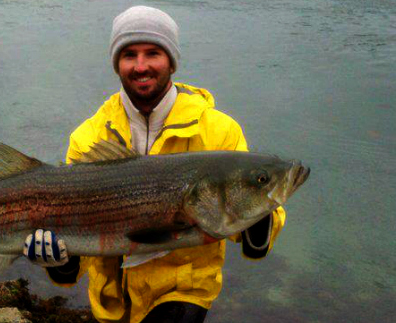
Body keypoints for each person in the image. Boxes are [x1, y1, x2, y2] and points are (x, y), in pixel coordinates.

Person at [23, 6, 286, 323]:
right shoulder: (88, 137)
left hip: (182, 295)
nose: (141, 66)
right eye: (129, 54)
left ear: (172, 61)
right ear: (116, 64)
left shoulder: (219, 131)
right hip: (111, 302)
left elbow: (246, 226)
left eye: (153, 53)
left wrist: (260, 216)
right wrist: (58, 260)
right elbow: (76, 246)